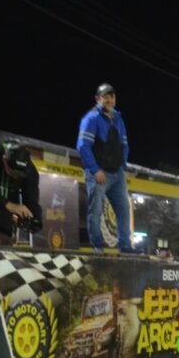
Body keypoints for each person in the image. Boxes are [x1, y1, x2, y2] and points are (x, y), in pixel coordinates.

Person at [77, 83, 133, 251]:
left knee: (124, 211)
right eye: (105, 97)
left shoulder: (119, 119)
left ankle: (126, 247)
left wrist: (122, 166)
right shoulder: (91, 119)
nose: (109, 100)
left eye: (112, 96)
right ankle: (98, 247)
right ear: (97, 99)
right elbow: (83, 146)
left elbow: (125, 145)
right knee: (96, 212)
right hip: (99, 174)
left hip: (117, 174)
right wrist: (95, 170)